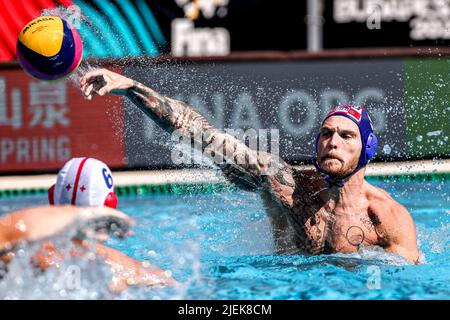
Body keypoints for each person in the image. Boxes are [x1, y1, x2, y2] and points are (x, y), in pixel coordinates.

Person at [80, 69, 420, 264]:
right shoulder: (285, 185)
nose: (333, 141)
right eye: (326, 133)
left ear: (367, 149)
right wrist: (130, 88)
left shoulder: (386, 217)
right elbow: (201, 135)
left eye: (347, 136)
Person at [0, 157, 177, 291]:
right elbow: (177, 288)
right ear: (111, 205)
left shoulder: (17, 253)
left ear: (52, 197)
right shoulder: (127, 269)